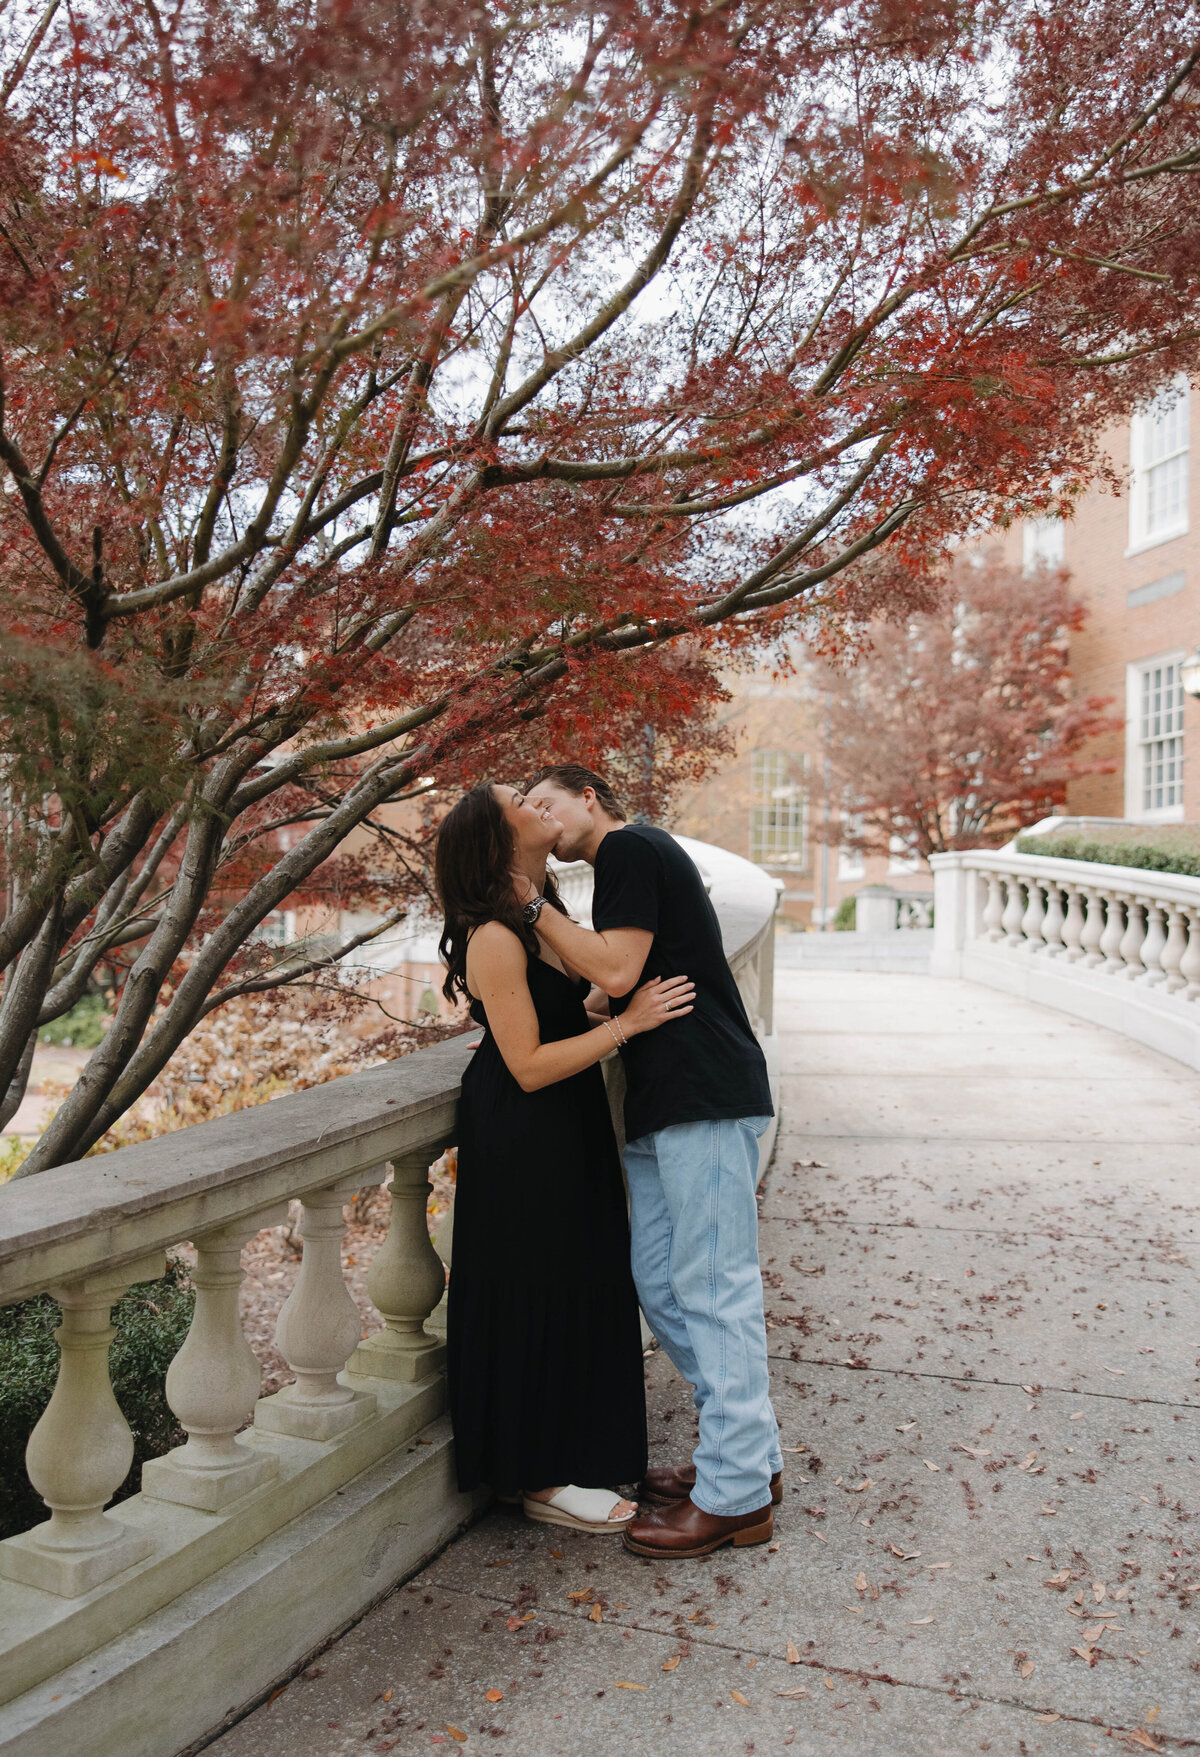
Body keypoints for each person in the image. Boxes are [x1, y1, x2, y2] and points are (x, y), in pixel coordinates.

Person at [521, 764, 783, 1559]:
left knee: (710, 1283)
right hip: (665, 1101)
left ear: (588, 798)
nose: (537, 815)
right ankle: (744, 1455)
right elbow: (614, 985)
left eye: (546, 801)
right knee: (664, 1278)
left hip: (701, 1091)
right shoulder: (623, 869)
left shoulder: (631, 845)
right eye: (525, 808)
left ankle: (735, 1495)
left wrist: (527, 903)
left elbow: (616, 972)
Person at [435, 782, 696, 1534]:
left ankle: (586, 1452)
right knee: (540, 1289)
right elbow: (525, 1062)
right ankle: (542, 1476)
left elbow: (564, 1008)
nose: (537, 801)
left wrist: (607, 1006)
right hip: (523, 1130)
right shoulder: (492, 936)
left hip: (568, 1123)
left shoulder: (539, 919)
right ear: (496, 837)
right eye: (518, 798)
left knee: (586, 1281)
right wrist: (629, 1025)